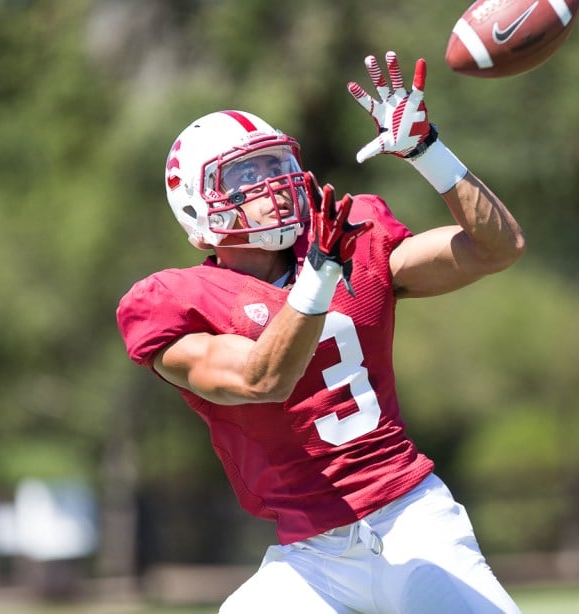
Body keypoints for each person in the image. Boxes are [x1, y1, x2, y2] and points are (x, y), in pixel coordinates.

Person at [116, 50, 525, 613]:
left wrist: (428, 151)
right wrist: (317, 278)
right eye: (245, 176)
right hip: (312, 561)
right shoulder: (179, 303)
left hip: (412, 519)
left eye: (273, 165)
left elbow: (496, 249)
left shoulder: (346, 242)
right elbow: (262, 380)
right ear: (196, 208)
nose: (273, 185)